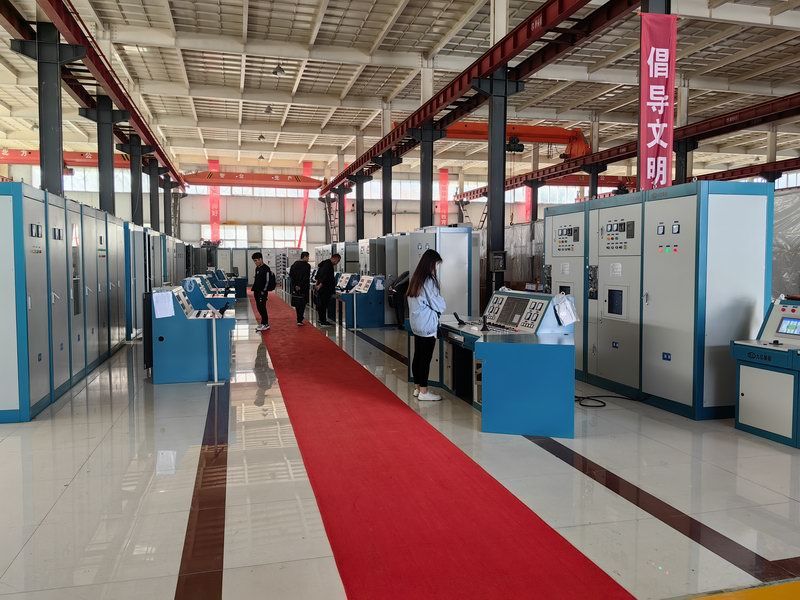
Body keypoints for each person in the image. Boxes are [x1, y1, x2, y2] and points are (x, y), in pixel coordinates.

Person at [407, 249, 446, 402]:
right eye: (436, 264)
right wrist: (442, 305)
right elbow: (438, 304)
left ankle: (417, 388)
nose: (437, 268)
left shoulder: (416, 278)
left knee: (418, 356)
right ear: (431, 264)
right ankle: (424, 391)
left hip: (416, 324)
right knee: (425, 358)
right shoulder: (429, 281)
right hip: (427, 325)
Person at [314, 253, 341, 326]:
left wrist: (317, 284)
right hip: (325, 289)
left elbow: (318, 275)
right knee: (323, 305)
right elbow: (325, 277)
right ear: (335, 258)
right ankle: (323, 321)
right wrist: (320, 285)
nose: (337, 263)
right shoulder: (328, 265)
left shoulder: (323, 263)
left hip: (321, 288)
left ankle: (321, 319)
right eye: (338, 261)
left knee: (321, 304)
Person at [288, 251, 312, 325]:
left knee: (297, 301)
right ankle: (300, 318)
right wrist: (300, 285)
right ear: (304, 257)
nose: (308, 259)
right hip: (303, 287)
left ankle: (299, 318)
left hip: (295, 287)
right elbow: (306, 277)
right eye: (308, 257)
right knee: (303, 303)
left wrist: (295, 285)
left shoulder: (295, 264)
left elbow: (291, 275)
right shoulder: (307, 266)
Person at [251, 252, 272, 331]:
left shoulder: (266, 268)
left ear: (261, 259)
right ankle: (263, 323)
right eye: (254, 261)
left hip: (262, 292)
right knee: (259, 307)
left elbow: (267, 281)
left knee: (262, 307)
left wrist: (263, 291)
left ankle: (266, 324)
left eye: (256, 260)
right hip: (256, 291)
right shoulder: (257, 268)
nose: (255, 262)